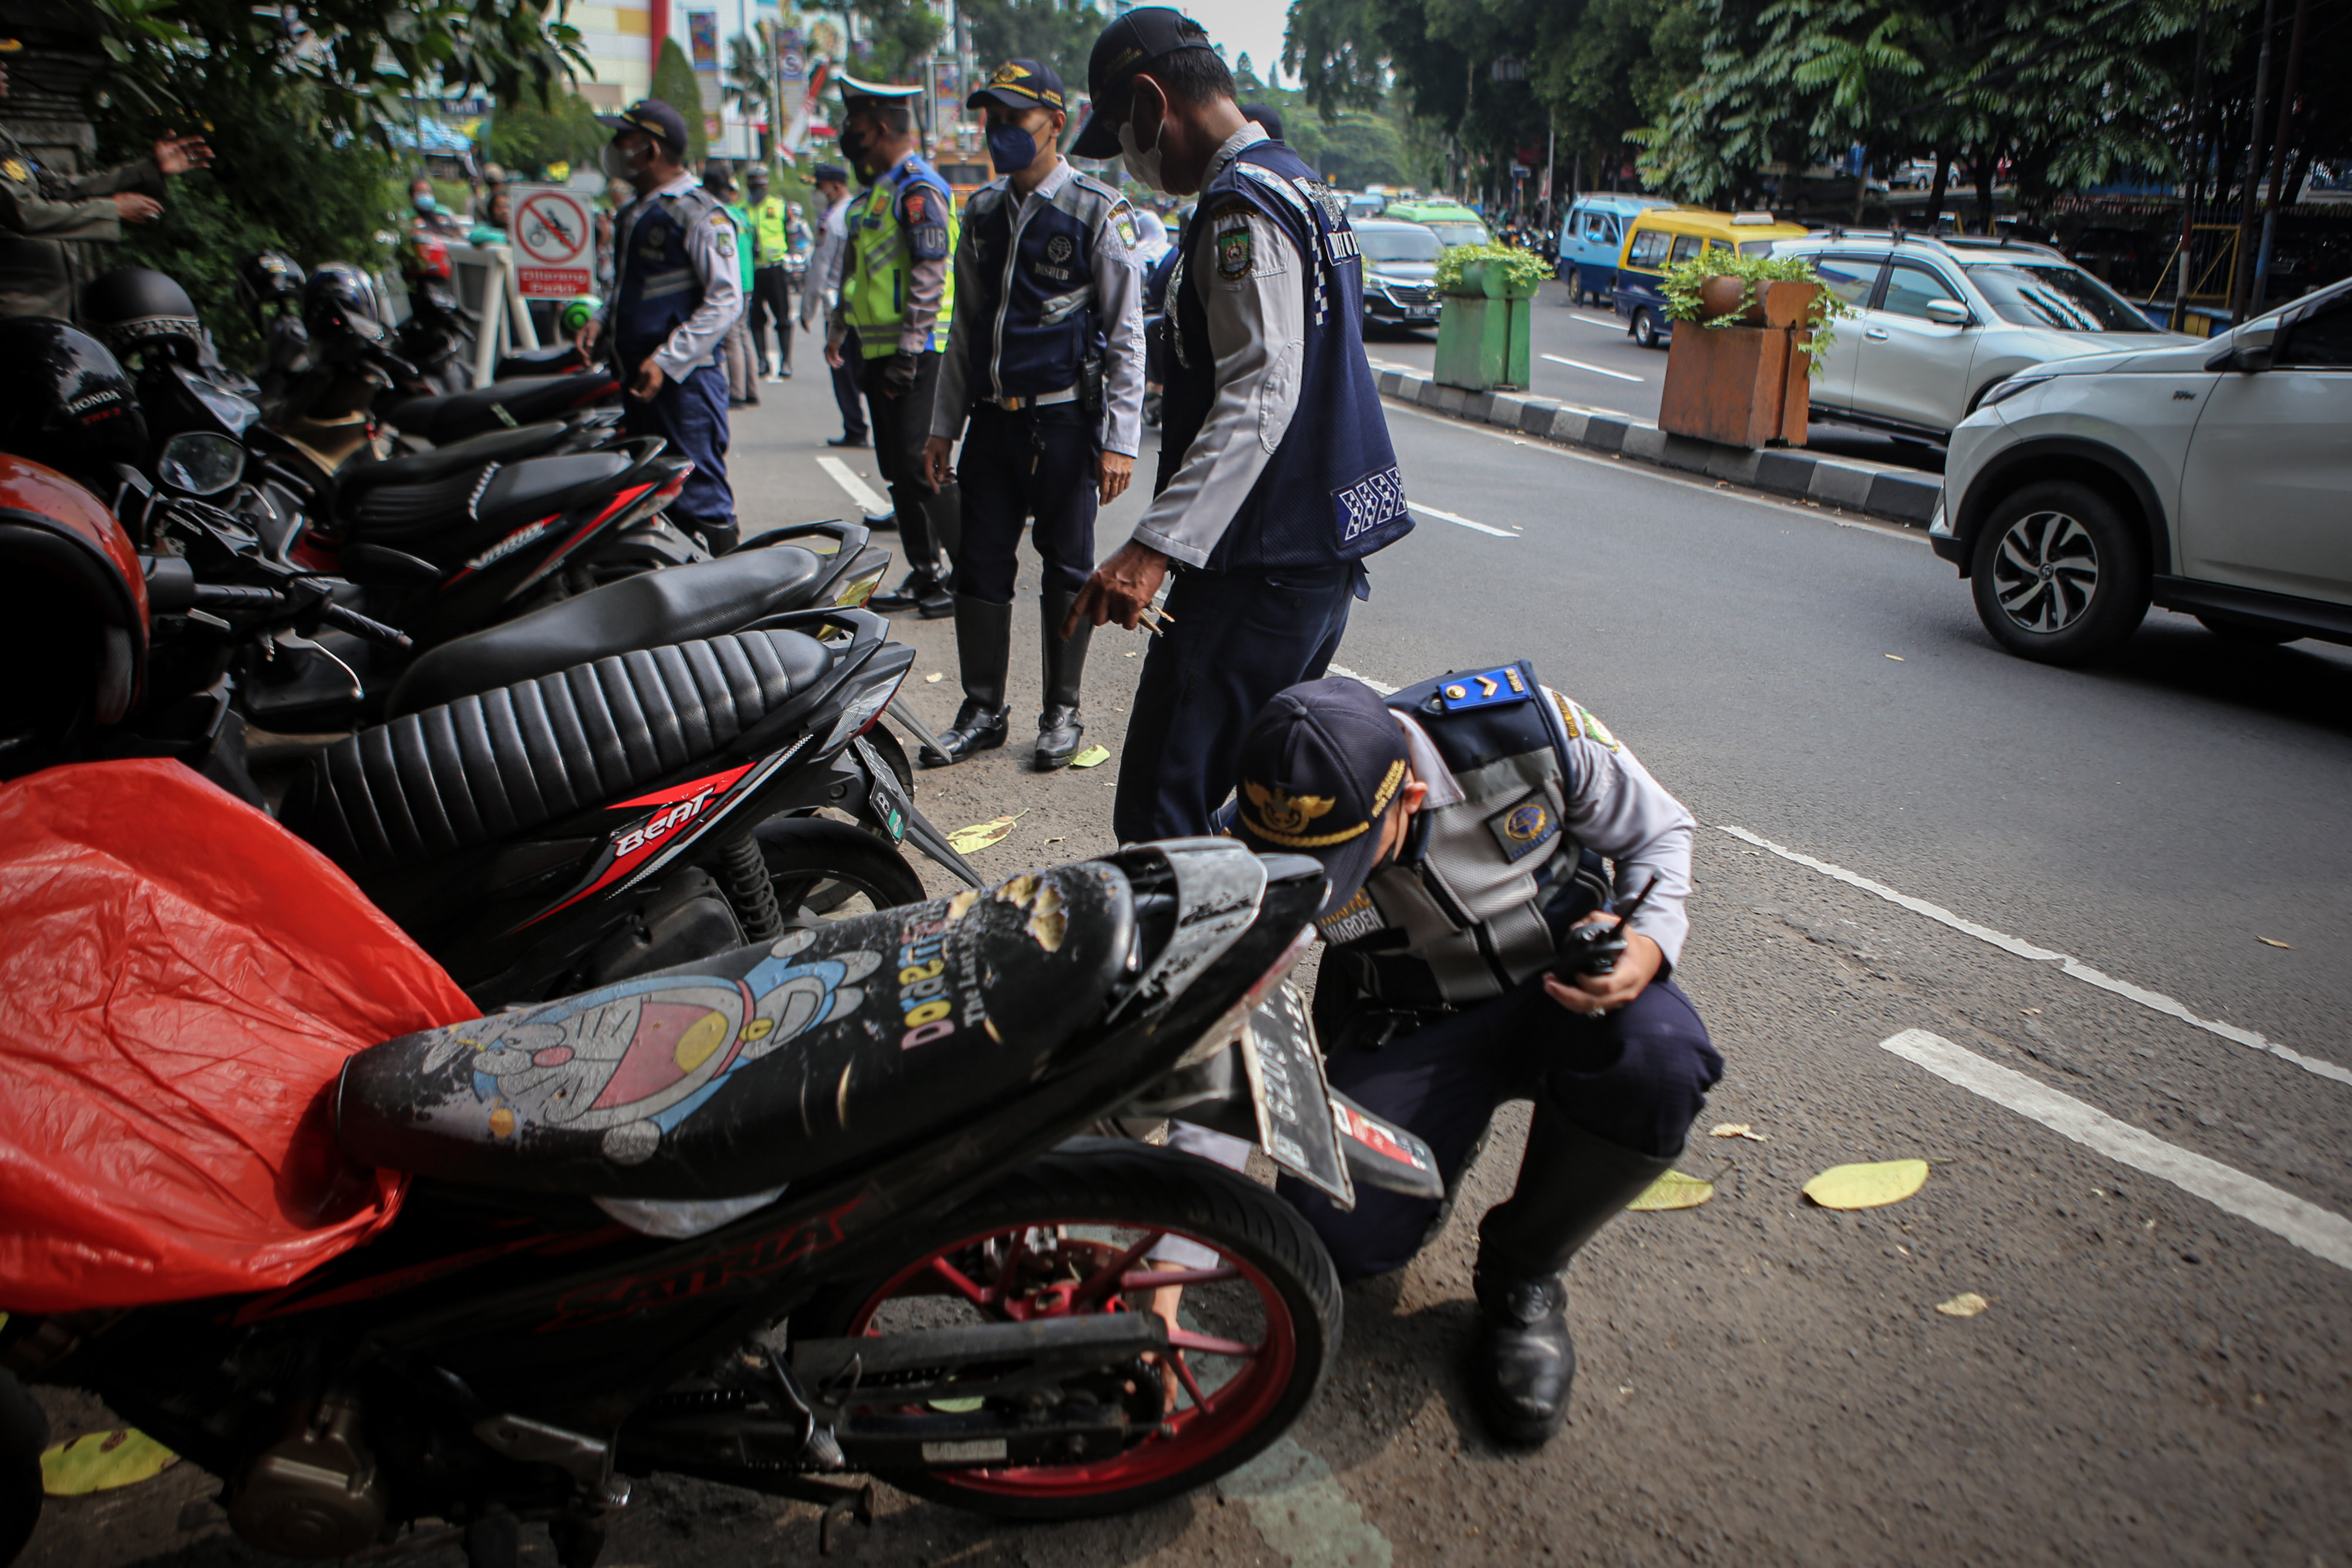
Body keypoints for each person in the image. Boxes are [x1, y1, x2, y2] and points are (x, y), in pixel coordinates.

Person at [1220, 668, 1721, 1449]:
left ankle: (1523, 1272)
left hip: (1564, 992)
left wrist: (1649, 944)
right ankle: (1439, 1137)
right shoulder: (1252, 825)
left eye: (1345, 863)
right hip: (1412, 1021)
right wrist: (1174, 1254)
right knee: (1328, 1240)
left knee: (1658, 1062)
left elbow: (1660, 829)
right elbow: (1230, 1014)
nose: (1322, 888)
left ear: (1410, 797)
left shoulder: (1525, 726)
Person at [1063, 8, 1412, 842]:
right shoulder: (1300, 182)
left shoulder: (1239, 208)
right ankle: (1248, 965)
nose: (1135, 165)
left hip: (1261, 568)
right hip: (1314, 559)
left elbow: (1263, 387)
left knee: (1163, 818)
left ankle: (1198, 972)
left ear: (1152, 105)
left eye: (1124, 137)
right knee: (1245, 805)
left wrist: (1150, 549)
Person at [917, 59, 1146, 771]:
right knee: (979, 567)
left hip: (1064, 425)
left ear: (1055, 122)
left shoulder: (1096, 211)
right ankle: (982, 709)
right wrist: (942, 424)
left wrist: (1121, 441)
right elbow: (963, 329)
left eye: (1014, 120)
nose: (999, 133)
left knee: (1066, 567)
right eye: (992, 121)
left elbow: (1128, 334)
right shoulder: (981, 211)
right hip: (992, 422)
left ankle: (1062, 711)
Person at [577, 99, 743, 554]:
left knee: (699, 495)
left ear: (650, 150)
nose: (614, 150)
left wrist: (668, 360)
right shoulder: (634, 213)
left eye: (623, 141)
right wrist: (600, 322)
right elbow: (629, 287)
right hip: (637, 378)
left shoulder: (698, 213)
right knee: (654, 492)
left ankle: (731, 597)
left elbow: (725, 299)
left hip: (684, 384)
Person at [828, 75, 960, 618]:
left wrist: (908, 349)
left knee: (919, 463)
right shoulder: (874, 196)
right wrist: (840, 327)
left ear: (880, 128)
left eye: (853, 127)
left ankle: (973, 570)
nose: (845, 135)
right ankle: (926, 572)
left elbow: (931, 272)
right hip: (877, 348)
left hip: (922, 349)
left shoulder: (917, 189)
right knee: (896, 467)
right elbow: (856, 271)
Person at [0, 40, 211, 321]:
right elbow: (23, 212)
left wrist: (147, 169)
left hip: (47, 310)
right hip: (16, 311)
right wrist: (112, 209)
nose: (4, 67)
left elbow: (57, 189)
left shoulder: (4, 137)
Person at [799, 162, 868, 449]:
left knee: (842, 370)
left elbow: (821, 267)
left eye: (819, 186)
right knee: (863, 371)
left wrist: (807, 308)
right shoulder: (858, 210)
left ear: (835, 186)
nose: (817, 193)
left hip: (837, 306)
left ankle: (855, 427)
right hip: (863, 306)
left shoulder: (833, 219)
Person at [704, 161, 759, 407]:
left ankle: (737, 393)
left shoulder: (719, 216)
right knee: (744, 335)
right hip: (748, 281)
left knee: (733, 338)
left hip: (735, 282)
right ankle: (752, 389)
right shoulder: (741, 215)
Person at [744, 165, 804, 380]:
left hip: (775, 268)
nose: (758, 189)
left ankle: (786, 361)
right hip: (752, 270)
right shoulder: (743, 209)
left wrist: (792, 256)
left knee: (783, 316)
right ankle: (762, 360)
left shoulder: (779, 205)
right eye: (754, 185)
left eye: (761, 184)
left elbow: (792, 233)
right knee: (756, 318)